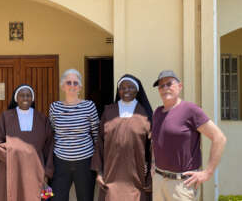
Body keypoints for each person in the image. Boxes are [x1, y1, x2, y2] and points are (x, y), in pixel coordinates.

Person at [151, 70, 227, 201]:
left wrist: (207, 173)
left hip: (181, 185)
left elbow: (219, 138)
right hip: (159, 181)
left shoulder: (190, 110)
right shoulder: (157, 112)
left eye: (169, 84)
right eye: (161, 86)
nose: (165, 88)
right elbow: (156, 141)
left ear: (179, 86)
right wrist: (153, 163)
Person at [91, 74, 153, 201]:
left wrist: (150, 176)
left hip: (137, 177)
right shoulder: (109, 112)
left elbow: (153, 148)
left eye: (130, 87)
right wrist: (99, 173)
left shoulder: (145, 114)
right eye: (122, 87)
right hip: (111, 177)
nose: (126, 90)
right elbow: (100, 144)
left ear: (137, 90)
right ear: (118, 91)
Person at [0, 84, 54, 201]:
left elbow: (49, 146)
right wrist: (11, 155)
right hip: (11, 167)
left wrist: (48, 171)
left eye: (28, 95)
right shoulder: (6, 117)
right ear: (16, 98)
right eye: (22, 95)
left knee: (35, 196)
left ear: (32, 98)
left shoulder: (42, 118)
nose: (25, 98)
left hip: (35, 169)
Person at [49, 69, 99, 201]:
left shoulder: (89, 106)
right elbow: (53, 131)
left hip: (85, 162)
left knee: (85, 197)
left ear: (80, 87)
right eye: (68, 82)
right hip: (60, 162)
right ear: (62, 86)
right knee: (55, 197)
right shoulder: (55, 107)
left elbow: (96, 134)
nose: (72, 86)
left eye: (75, 83)